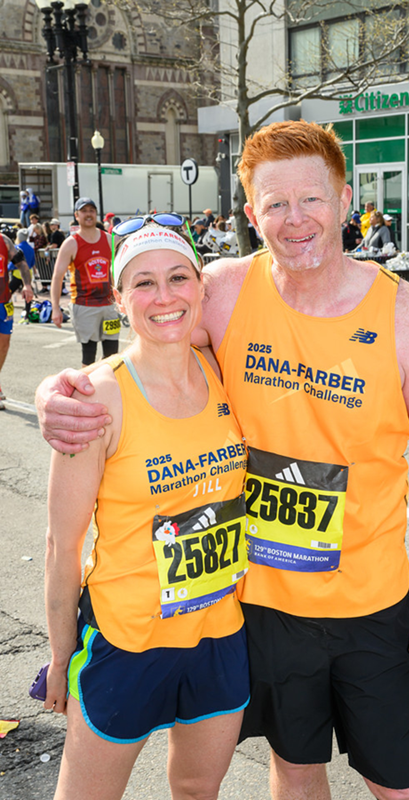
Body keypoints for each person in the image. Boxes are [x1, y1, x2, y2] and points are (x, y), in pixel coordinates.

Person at [36, 120, 409, 800]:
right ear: (251, 213)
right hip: (261, 605)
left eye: (311, 199)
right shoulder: (227, 289)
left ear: (344, 199)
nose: (295, 219)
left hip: (370, 602)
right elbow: (153, 333)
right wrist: (59, 392)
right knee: (294, 771)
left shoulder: (405, 313)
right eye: (276, 204)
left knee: (398, 784)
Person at [45, 217, 250, 800]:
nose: (164, 297)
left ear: (201, 288)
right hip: (126, 639)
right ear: (119, 299)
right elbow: (62, 545)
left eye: (178, 277)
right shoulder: (97, 397)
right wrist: (60, 656)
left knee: (197, 789)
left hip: (217, 634)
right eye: (143, 283)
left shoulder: (222, 368)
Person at [51, 198, 121, 366]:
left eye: (91, 211)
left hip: (109, 306)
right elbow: (57, 276)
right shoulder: (71, 243)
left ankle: (105, 382)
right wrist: (55, 308)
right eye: (84, 211)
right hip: (84, 305)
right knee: (89, 357)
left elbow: (120, 271)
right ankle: (88, 382)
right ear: (77, 215)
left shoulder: (110, 240)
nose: (88, 214)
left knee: (112, 355)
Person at [0, 231, 33, 408]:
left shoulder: (4, 241)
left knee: (4, 344)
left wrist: (27, 285)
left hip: (3, 302)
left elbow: (21, 263)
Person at [9, 228, 35, 324]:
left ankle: (6, 313)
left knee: (7, 293)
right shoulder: (31, 248)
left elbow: (13, 263)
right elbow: (32, 262)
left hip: (18, 274)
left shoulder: (16, 248)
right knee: (28, 294)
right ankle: (26, 315)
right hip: (29, 273)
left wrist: (7, 269)